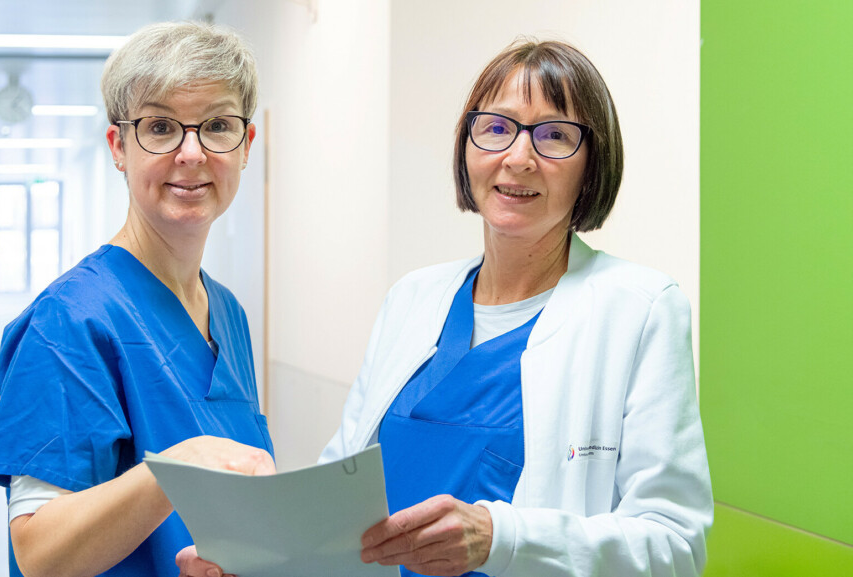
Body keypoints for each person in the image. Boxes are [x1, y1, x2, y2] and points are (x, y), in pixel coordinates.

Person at [180, 38, 713, 577]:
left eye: (554, 136)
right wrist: (254, 556)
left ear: (592, 163)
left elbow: (674, 546)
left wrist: (500, 539)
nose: (519, 158)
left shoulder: (639, 308)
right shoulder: (414, 298)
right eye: (498, 128)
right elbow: (337, 498)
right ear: (467, 146)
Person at [0, 21, 275, 577]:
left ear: (246, 144)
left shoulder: (227, 313)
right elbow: (41, 553)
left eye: (217, 125)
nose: (192, 153)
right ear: (119, 146)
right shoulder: (70, 320)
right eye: (161, 127)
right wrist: (179, 467)